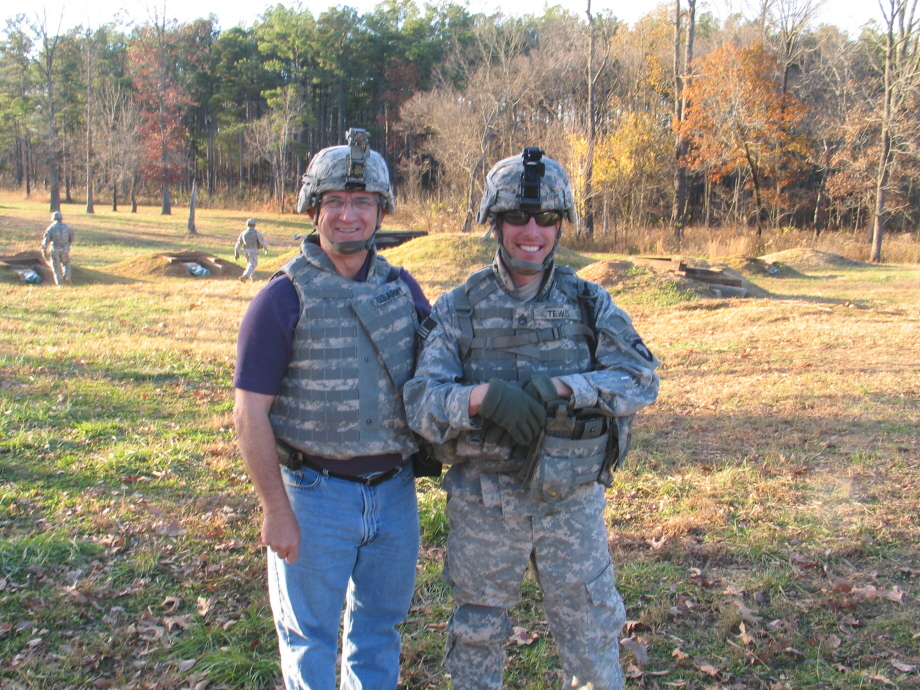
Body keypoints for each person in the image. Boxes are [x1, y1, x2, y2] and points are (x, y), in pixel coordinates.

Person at [404, 147, 660, 690]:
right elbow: (421, 403)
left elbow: (640, 380)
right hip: (485, 504)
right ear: (495, 222)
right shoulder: (459, 308)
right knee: (476, 642)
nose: (532, 231)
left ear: (560, 224)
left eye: (546, 217)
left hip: (572, 505)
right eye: (517, 216)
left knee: (592, 643)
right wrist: (483, 399)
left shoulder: (588, 303)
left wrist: (564, 388)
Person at [233, 128, 431, 690]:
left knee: (379, 632)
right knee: (309, 640)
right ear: (313, 209)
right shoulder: (282, 298)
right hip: (314, 496)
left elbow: (441, 375)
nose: (349, 215)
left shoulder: (403, 289)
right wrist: (276, 510)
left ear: (381, 211)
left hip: (394, 495)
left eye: (363, 201)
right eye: (336, 201)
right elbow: (249, 416)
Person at [41, 211, 75, 286]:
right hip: (65, 249)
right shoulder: (68, 227)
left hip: (55, 249)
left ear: (53, 218)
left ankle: (60, 283)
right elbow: (72, 238)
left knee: (56, 266)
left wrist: (44, 250)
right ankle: (67, 276)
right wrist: (68, 245)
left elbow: (46, 240)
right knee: (66, 264)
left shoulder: (51, 228)